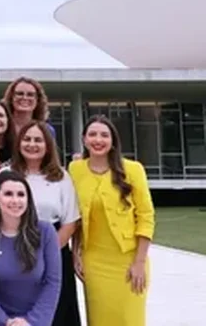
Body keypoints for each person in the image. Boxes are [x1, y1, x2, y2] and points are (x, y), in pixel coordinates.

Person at [69, 115, 155, 326]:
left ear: (113, 140)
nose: (98, 140)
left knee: (130, 319)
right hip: (94, 262)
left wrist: (139, 262)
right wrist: (76, 253)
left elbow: (146, 216)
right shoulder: (75, 169)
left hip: (128, 259)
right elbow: (75, 216)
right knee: (99, 320)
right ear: (84, 139)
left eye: (104, 135)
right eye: (92, 134)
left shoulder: (133, 169)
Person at [9, 121, 81, 326]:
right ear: (18, 143)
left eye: (38, 140)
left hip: (55, 252)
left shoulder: (61, 177)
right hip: (14, 251)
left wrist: (44, 254)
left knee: (57, 313)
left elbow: (70, 222)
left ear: (48, 145)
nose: (32, 144)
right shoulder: (6, 173)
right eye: (27, 139)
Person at [0, 170, 61, 326]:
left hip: (35, 321)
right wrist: (6, 322)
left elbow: (53, 282)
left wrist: (32, 321)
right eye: (8, 194)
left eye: (21, 194)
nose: (15, 200)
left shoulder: (46, 232)